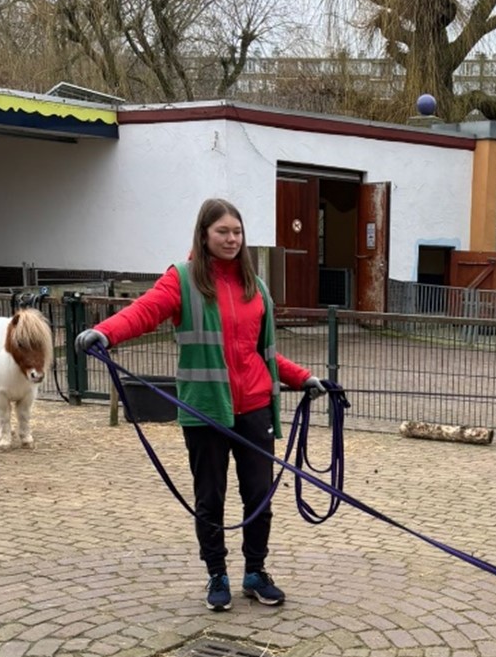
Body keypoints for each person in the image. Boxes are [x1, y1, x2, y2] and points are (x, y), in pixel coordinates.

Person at [74, 197, 326, 612]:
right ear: (204, 234)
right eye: (222, 231)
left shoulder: (256, 288)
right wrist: (105, 332)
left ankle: (255, 572)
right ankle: (217, 574)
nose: (231, 239)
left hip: (254, 408)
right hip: (205, 409)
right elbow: (144, 312)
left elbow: (262, 354)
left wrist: (303, 378)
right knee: (210, 497)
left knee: (259, 496)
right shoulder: (183, 280)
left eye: (237, 232)